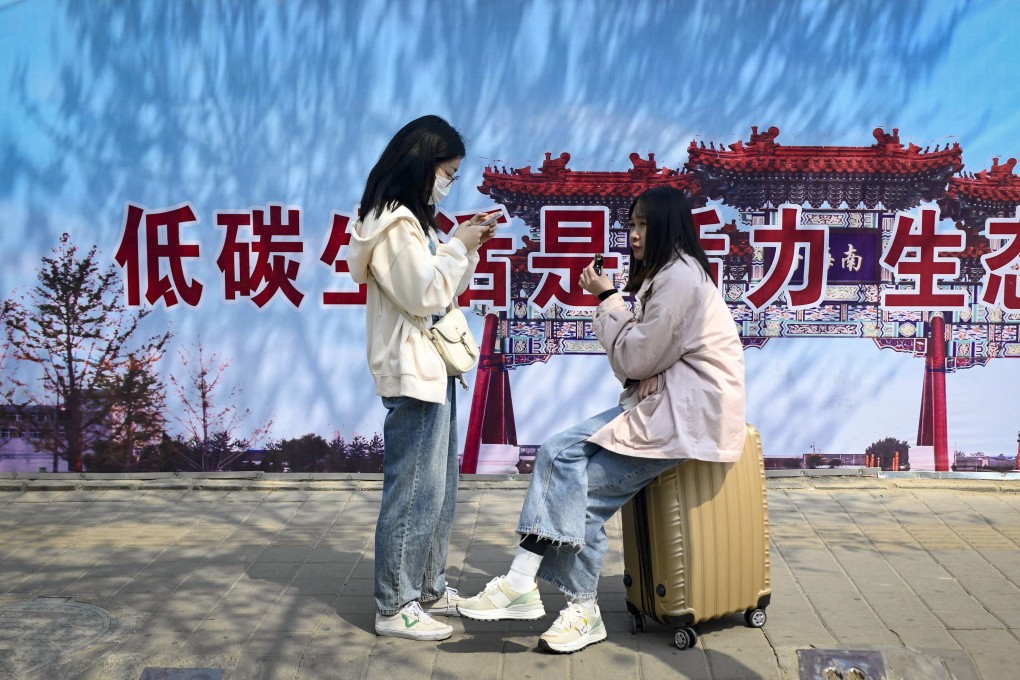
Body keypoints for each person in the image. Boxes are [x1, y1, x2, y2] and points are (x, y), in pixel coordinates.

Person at [457, 186, 746, 653]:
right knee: (563, 464)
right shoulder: (675, 275)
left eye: (644, 225)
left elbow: (635, 357)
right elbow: (647, 358)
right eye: (631, 224)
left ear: (669, 227)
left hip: (681, 419)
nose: (633, 235)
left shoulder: (679, 281)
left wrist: (609, 298)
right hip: (665, 408)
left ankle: (563, 602)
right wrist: (644, 356)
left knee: (577, 486)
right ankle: (528, 586)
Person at [347, 115, 499, 641]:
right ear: (421, 162)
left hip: (431, 367)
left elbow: (444, 287)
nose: (449, 182)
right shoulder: (392, 223)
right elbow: (424, 293)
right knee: (412, 490)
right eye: (447, 172)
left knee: (437, 488)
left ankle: (428, 587)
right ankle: (395, 605)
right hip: (412, 372)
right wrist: (459, 244)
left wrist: (464, 244)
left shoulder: (416, 221)